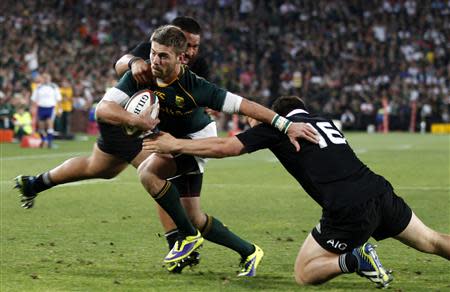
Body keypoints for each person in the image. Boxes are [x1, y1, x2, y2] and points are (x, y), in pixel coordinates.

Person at [14, 26, 318, 276]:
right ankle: (248, 251)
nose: (155, 61)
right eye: (152, 54)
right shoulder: (140, 73)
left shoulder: (195, 86)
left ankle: (183, 238)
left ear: (181, 58)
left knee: (149, 174)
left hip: (194, 140)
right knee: (193, 215)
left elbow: (244, 105)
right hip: (162, 135)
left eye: (162, 56)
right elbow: (103, 108)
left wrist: (284, 124)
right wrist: (137, 119)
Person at [142, 95, 450, 288]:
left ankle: (355, 260)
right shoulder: (325, 121)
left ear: (278, 114)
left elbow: (225, 147)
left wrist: (175, 144)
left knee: (304, 273)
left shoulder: (279, 127)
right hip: (380, 191)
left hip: (347, 208)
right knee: (433, 241)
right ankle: (356, 256)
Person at [114, 16, 213, 273]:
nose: (191, 51)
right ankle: (178, 246)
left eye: (195, 46)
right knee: (154, 178)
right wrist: (135, 63)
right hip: (156, 131)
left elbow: (206, 99)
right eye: (187, 45)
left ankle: (244, 250)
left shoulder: (199, 65)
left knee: (192, 213)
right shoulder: (154, 52)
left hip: (186, 138)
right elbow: (120, 63)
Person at [30, 73, 62, 148]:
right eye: (44, 78)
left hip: (50, 108)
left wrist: (60, 109)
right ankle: (44, 140)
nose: (46, 79)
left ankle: (50, 142)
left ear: (50, 79)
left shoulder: (54, 87)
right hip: (41, 108)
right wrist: (32, 107)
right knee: (41, 127)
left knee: (49, 124)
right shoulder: (38, 87)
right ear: (42, 79)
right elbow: (34, 99)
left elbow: (59, 98)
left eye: (47, 78)